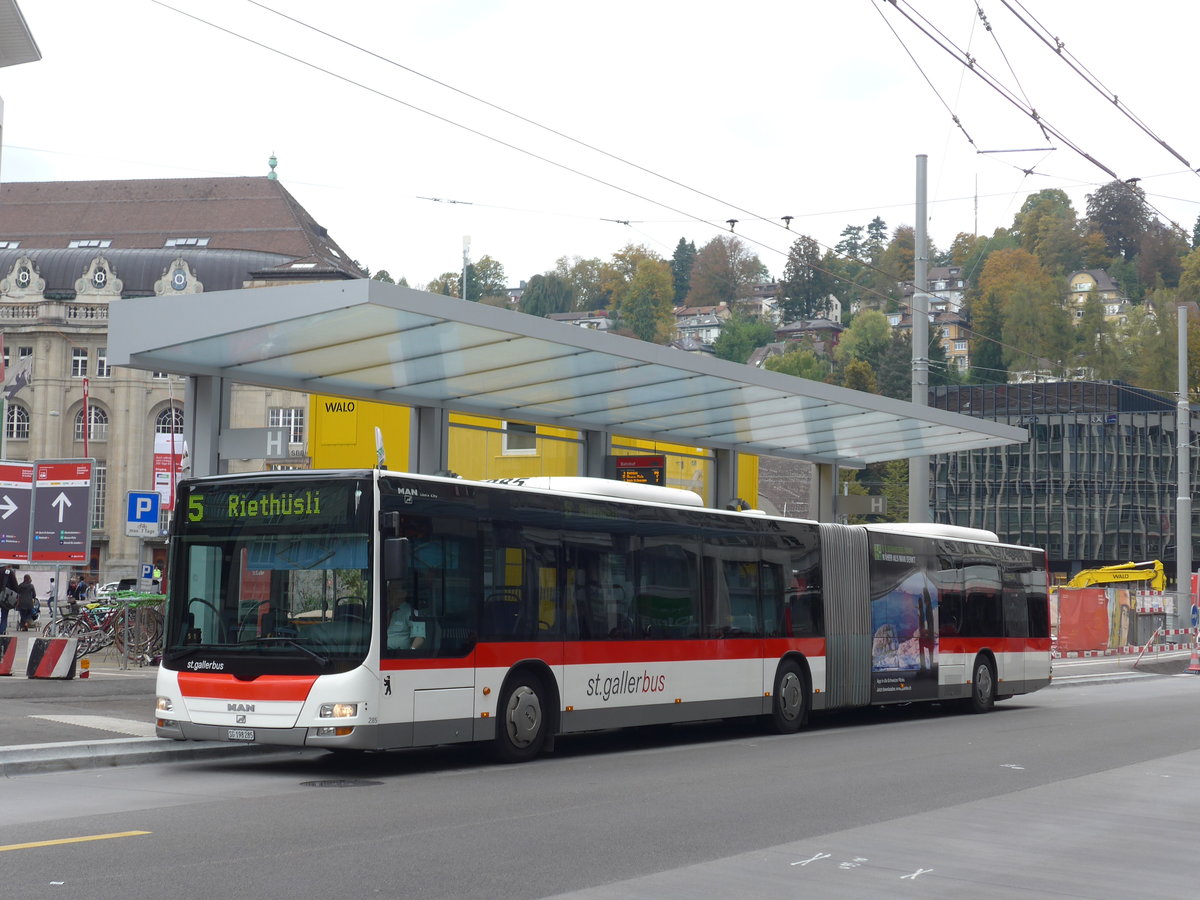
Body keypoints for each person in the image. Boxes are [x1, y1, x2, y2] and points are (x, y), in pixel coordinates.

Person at [385, 581, 426, 651]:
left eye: (394, 590)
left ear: (403, 594)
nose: (389, 594)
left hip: (398, 654)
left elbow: (420, 637)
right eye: (389, 591)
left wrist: (410, 652)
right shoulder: (382, 610)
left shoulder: (412, 612)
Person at [0, 565, 18, 635]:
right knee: (4, 616)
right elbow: (15, 586)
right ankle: (1, 631)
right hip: (5, 597)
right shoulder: (9, 572)